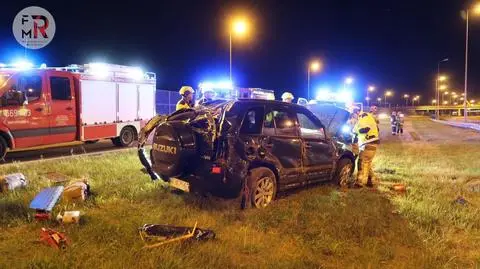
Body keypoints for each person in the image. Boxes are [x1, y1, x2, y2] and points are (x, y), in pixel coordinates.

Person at [353, 111, 380, 188]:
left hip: (369, 143)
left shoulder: (363, 116)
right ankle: (370, 180)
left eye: (353, 116)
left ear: (357, 113)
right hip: (371, 143)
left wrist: (355, 131)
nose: (353, 119)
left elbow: (365, 129)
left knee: (362, 162)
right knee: (367, 162)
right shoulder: (368, 117)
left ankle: (360, 183)